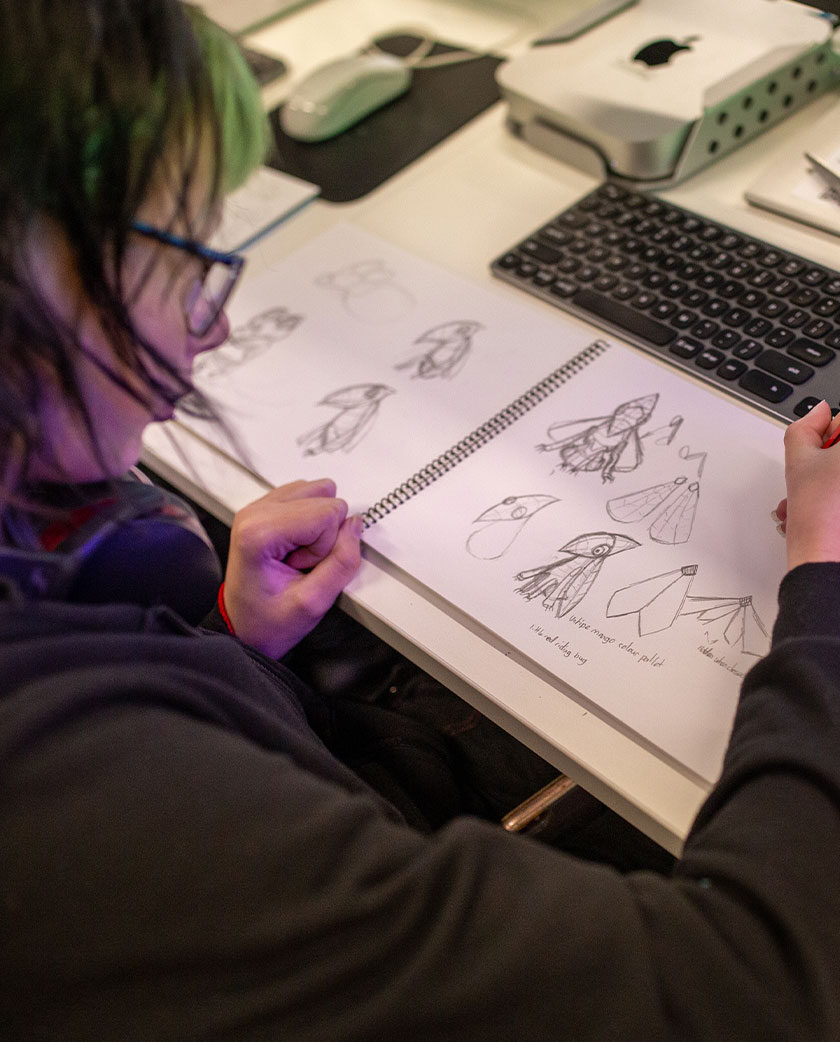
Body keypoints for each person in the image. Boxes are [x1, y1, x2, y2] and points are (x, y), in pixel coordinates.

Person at [2, 2, 840, 1038]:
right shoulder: (83, 800)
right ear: (33, 280)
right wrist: (825, 584)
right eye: (185, 265)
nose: (213, 324)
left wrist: (232, 648)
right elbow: (756, 988)